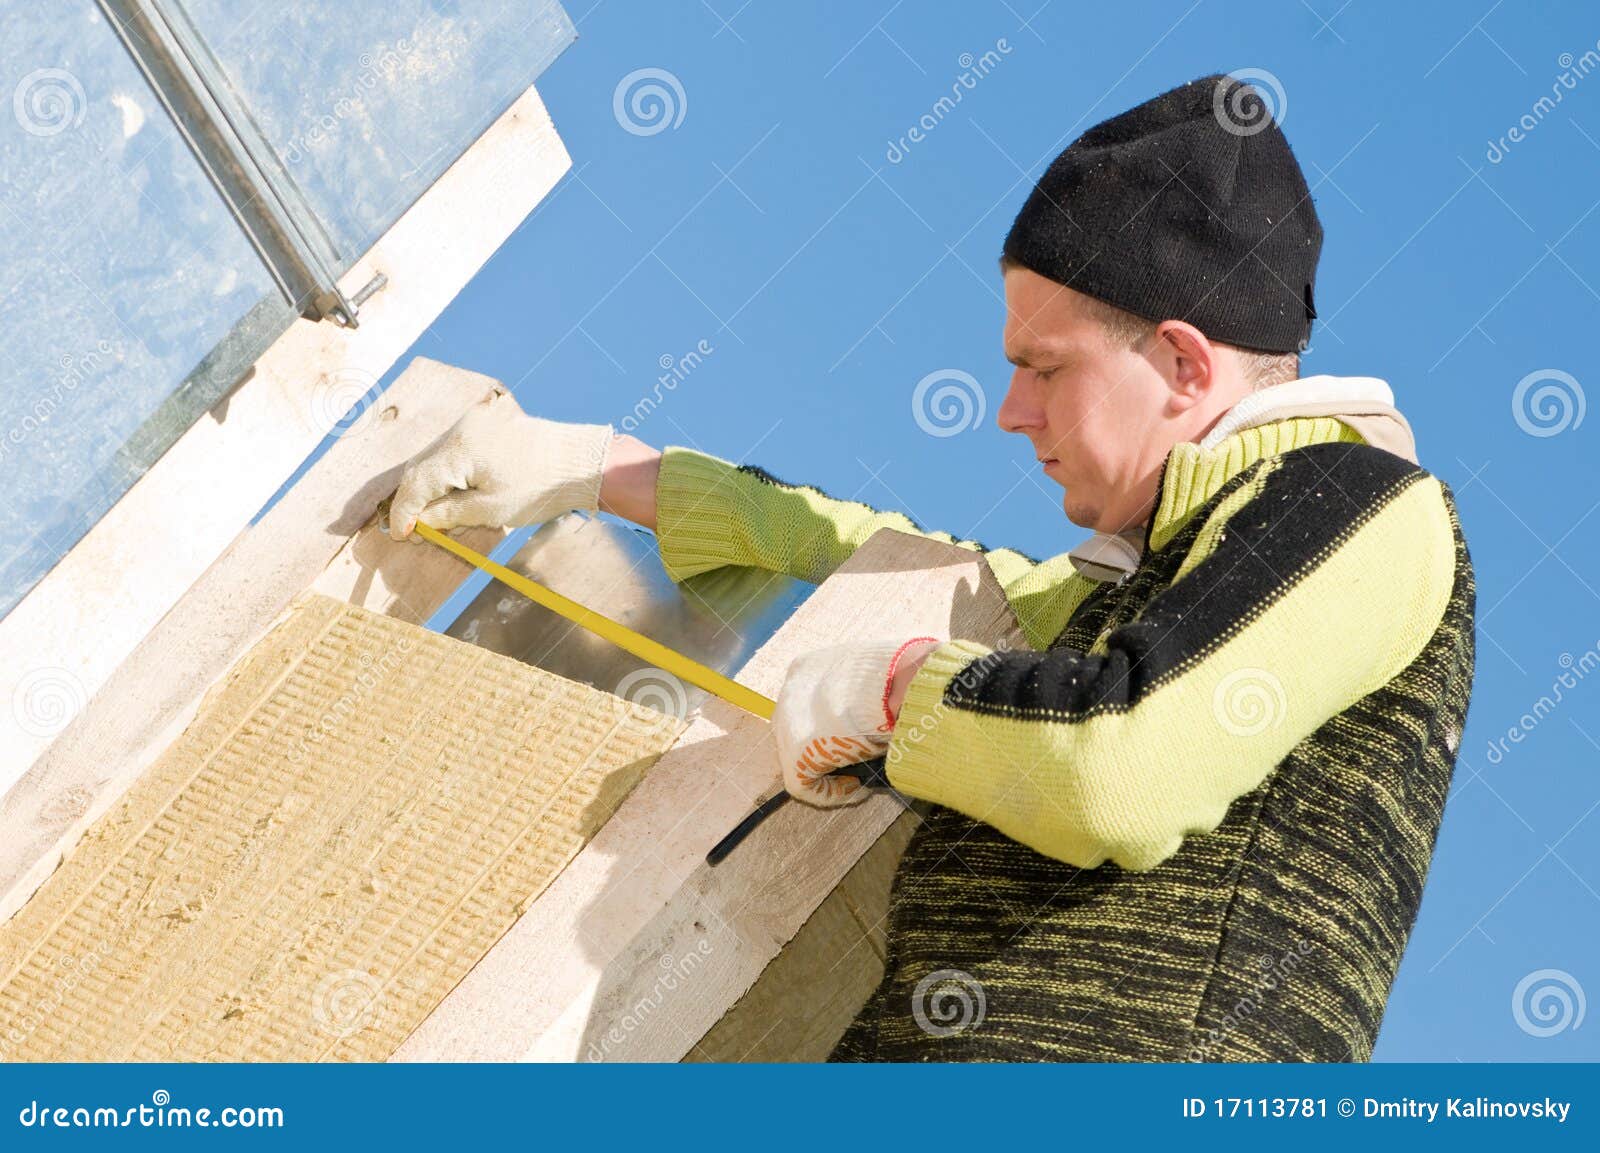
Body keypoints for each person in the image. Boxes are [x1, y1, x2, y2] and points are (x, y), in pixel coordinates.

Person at [386, 74, 1476, 1061]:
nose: (1011, 413)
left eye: (1043, 368)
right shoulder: (1137, 590)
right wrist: (592, 467)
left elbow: (1114, 764)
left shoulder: (1364, 503)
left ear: (1184, 363)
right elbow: (865, 553)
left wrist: (893, 688)